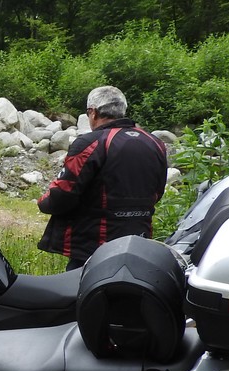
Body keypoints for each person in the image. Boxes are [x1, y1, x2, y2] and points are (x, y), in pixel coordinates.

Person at [37, 85, 169, 270]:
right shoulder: (155, 143)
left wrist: (43, 202)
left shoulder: (91, 142)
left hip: (92, 247)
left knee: (81, 295)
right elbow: (157, 192)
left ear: (93, 113)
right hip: (138, 242)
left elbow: (64, 193)